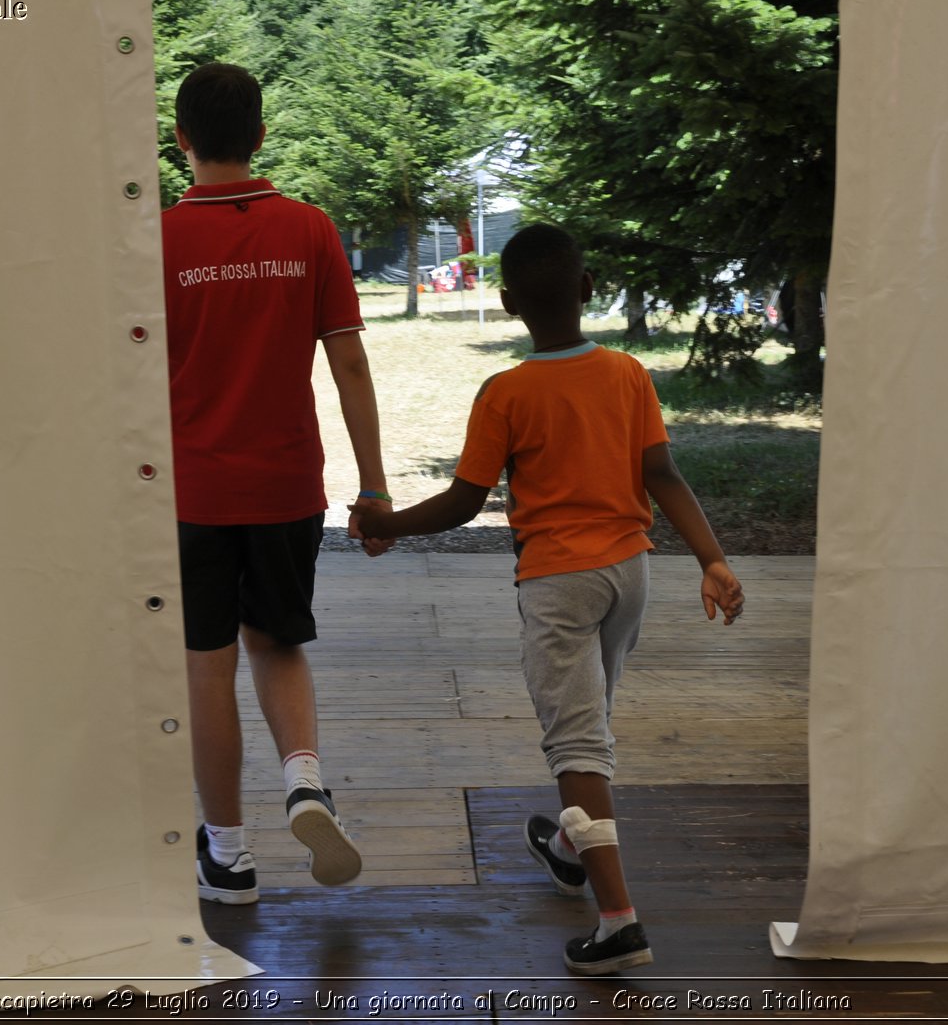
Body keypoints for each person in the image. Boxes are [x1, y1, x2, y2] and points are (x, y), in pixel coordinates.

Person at [352, 224, 744, 974]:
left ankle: (620, 923)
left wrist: (387, 527)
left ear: (505, 304)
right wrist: (713, 559)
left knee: (575, 745)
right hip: (631, 572)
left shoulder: (506, 392)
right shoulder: (628, 373)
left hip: (558, 583)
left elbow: (467, 501)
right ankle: (569, 848)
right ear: (590, 288)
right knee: (588, 722)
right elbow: (661, 473)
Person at [162, 63, 393, 905]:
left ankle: (228, 853)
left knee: (207, 665)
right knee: (280, 639)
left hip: (191, 493)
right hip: (289, 484)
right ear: (260, 137)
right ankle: (304, 778)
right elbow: (352, 362)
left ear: (181, 139)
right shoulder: (309, 229)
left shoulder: (154, 242)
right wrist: (373, 487)